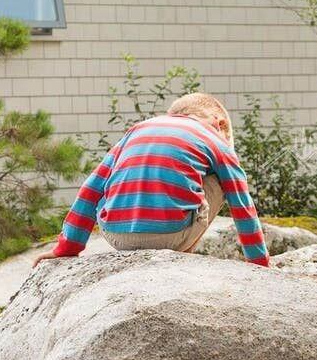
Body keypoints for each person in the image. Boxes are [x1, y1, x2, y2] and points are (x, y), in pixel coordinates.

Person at [33, 92, 269, 266]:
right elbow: (242, 205)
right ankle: (182, 254)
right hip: (172, 236)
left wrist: (68, 248)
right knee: (223, 180)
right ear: (220, 124)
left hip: (116, 236)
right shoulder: (214, 138)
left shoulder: (137, 129)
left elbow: (90, 189)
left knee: (108, 181)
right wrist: (259, 264)